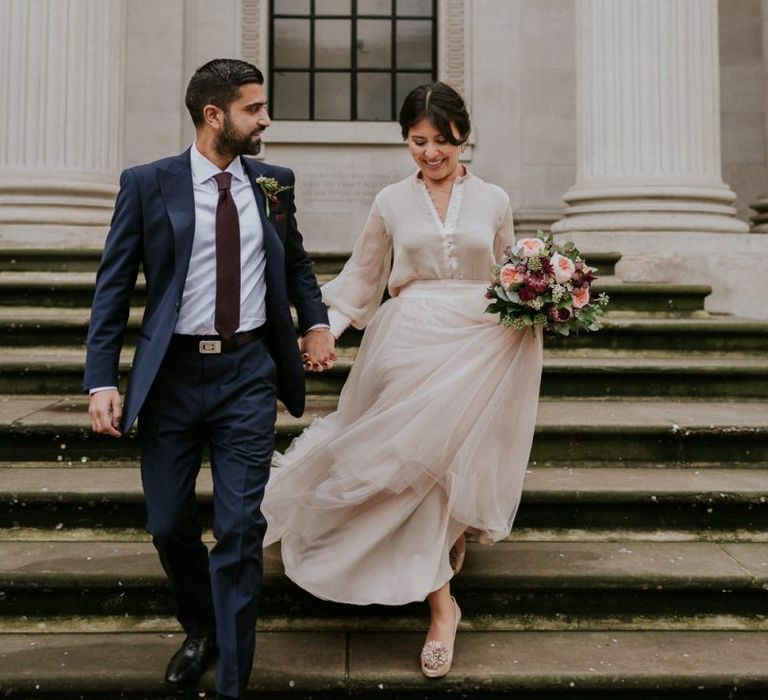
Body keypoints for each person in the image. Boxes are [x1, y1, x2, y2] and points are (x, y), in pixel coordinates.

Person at [262, 82, 543, 677]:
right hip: (408, 339)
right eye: (418, 141)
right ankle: (443, 581)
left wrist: (549, 294)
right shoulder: (390, 200)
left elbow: (512, 270)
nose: (431, 152)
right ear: (405, 141)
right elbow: (363, 278)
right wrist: (325, 332)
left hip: (481, 341)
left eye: (442, 140)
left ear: (463, 136)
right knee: (404, 464)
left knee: (445, 465)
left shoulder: (494, 197)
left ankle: (441, 599)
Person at [84, 59, 335, 700]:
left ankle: (231, 681)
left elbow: (296, 260)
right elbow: (113, 288)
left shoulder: (274, 183)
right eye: (255, 109)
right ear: (214, 116)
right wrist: (100, 380)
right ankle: (203, 627)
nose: (267, 120)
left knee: (240, 526)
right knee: (168, 525)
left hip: (248, 371)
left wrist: (316, 322)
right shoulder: (147, 184)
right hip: (169, 377)